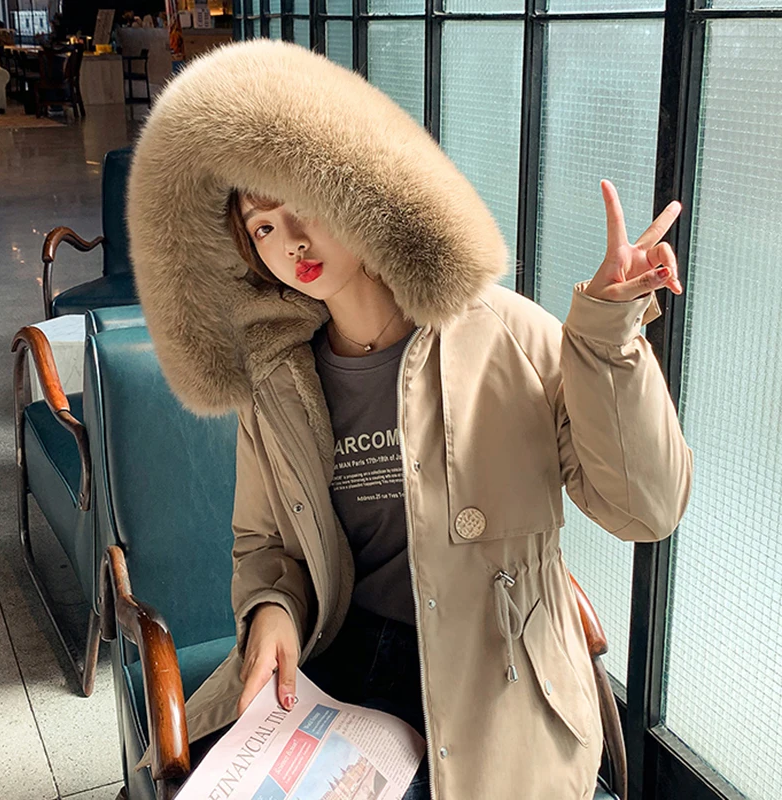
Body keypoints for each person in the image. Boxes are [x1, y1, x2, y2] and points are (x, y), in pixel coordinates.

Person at [127, 39, 693, 799]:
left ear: (356, 190)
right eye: (262, 227)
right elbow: (264, 542)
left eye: (302, 204)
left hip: (496, 681)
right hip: (339, 665)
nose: (291, 242)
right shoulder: (279, 385)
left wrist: (608, 340)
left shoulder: (509, 335)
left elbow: (646, 509)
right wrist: (272, 609)